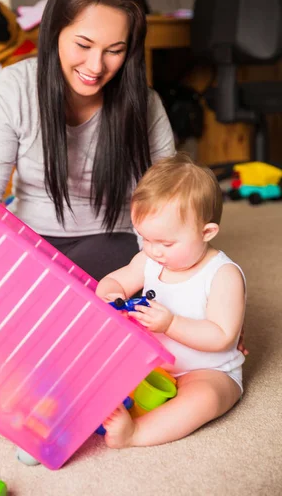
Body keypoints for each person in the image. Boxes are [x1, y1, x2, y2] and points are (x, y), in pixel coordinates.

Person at [0, 0, 175, 280]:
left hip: (115, 242)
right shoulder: (13, 89)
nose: (95, 66)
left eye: (114, 51)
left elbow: (167, 199)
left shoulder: (145, 104)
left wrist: (154, 268)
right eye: (83, 45)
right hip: (31, 241)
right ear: (55, 32)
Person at [96, 153, 246, 449]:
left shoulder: (223, 275)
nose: (154, 251)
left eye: (165, 243)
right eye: (145, 238)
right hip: (151, 362)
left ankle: (136, 434)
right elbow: (111, 283)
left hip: (206, 371)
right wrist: (113, 298)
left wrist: (172, 323)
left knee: (204, 399)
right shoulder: (149, 260)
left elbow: (222, 337)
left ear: (207, 232)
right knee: (98, 358)